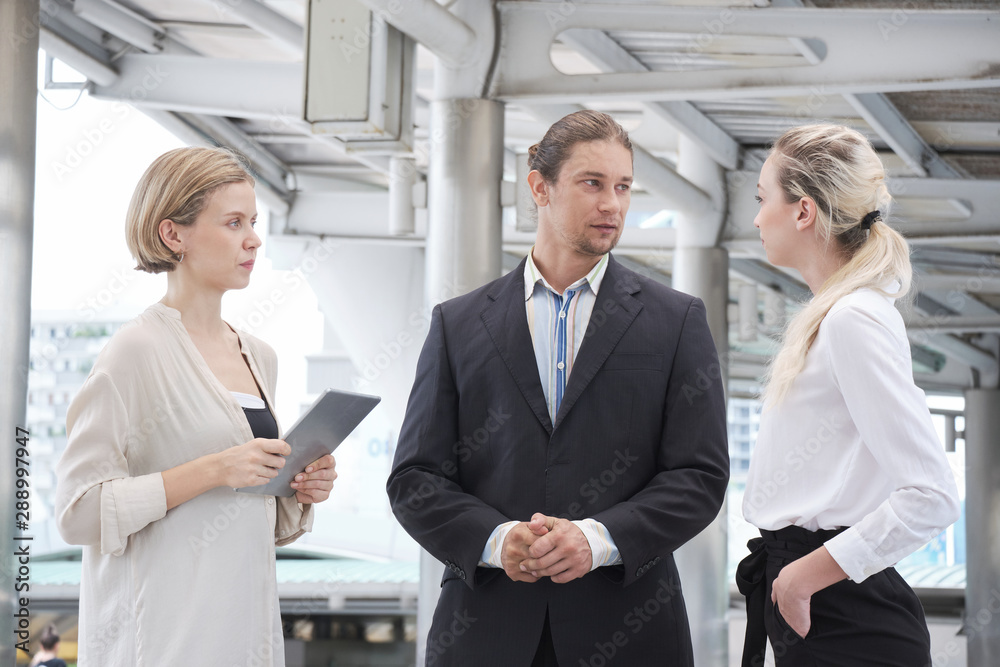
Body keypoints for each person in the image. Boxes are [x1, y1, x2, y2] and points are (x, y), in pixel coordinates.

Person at [386, 110, 730, 665]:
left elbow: (700, 477)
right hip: (486, 633)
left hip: (631, 634)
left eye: (622, 187)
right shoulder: (458, 323)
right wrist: (498, 542)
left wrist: (597, 540)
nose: (612, 204)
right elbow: (415, 479)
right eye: (592, 183)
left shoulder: (676, 320)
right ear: (539, 188)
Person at [55, 146, 338, 666]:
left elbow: (257, 517)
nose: (253, 238)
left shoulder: (260, 356)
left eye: (253, 221)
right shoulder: (134, 351)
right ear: (173, 234)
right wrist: (214, 469)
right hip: (161, 644)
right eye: (233, 222)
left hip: (245, 637)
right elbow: (77, 515)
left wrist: (299, 488)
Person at [737, 123, 961, 667]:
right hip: (823, 598)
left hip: (839, 609)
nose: (756, 216)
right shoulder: (837, 315)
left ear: (804, 211)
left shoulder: (853, 319)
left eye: (764, 198)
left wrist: (798, 579)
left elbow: (932, 495)